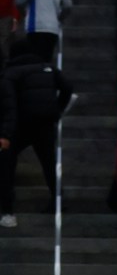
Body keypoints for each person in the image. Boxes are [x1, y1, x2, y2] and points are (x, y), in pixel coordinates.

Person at [0, 35, 74, 228]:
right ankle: (59, 199)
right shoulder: (48, 68)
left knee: (7, 163)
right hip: (44, 123)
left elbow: (9, 106)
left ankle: (7, 209)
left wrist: (5, 134)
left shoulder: (10, 73)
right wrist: (57, 111)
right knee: (49, 162)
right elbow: (68, 88)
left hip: (20, 125)